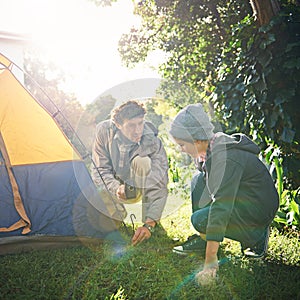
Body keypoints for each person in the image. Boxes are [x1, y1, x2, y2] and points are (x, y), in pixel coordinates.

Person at [169, 103, 279, 285]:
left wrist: (210, 261)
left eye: (182, 144)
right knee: (198, 180)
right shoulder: (208, 150)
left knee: (200, 220)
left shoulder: (226, 158)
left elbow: (221, 205)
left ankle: (256, 235)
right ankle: (205, 239)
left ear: (196, 140)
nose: (181, 149)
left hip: (257, 209)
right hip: (242, 198)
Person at [91, 100, 169, 246]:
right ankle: (117, 220)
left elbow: (159, 181)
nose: (138, 130)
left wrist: (149, 224)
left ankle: (150, 223)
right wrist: (116, 188)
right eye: (131, 125)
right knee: (108, 227)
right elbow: (99, 169)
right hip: (113, 189)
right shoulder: (103, 131)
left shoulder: (151, 139)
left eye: (140, 123)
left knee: (143, 161)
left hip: (139, 186)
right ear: (118, 125)